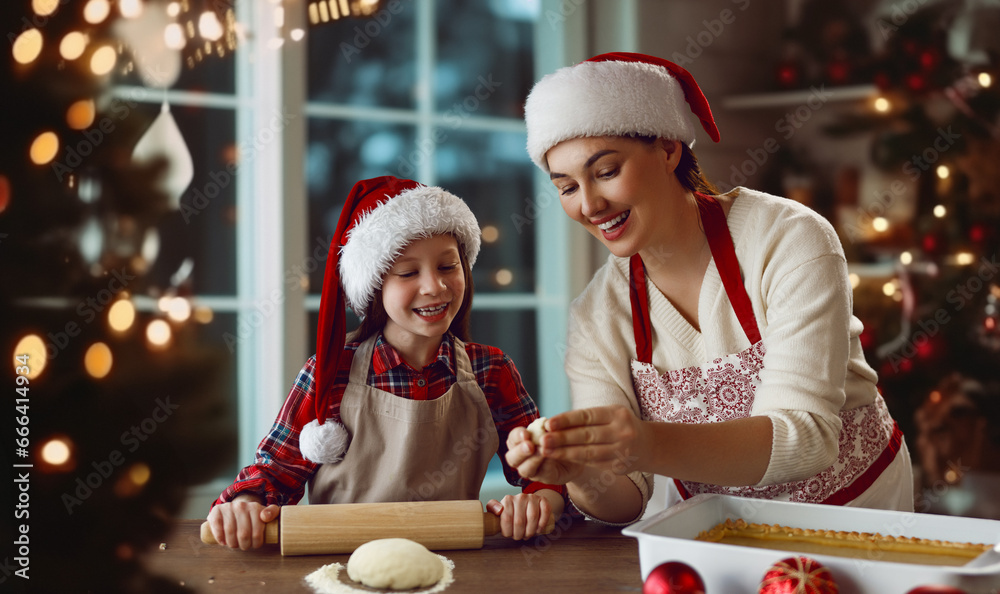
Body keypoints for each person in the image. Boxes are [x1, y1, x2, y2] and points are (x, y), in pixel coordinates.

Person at [505, 52, 914, 525]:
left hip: (856, 513)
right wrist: (579, 472)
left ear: (668, 150)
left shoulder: (788, 238)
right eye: (567, 187)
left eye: (606, 171)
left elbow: (807, 438)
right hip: (721, 528)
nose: (590, 205)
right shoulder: (596, 314)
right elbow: (626, 498)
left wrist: (645, 442)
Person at [207, 176, 564, 548]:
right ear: (375, 285)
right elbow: (274, 473)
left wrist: (538, 503)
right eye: (408, 273)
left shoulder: (491, 371)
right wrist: (245, 505)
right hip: (341, 574)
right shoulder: (329, 374)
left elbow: (547, 471)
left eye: (448, 267)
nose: (434, 287)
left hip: (457, 572)